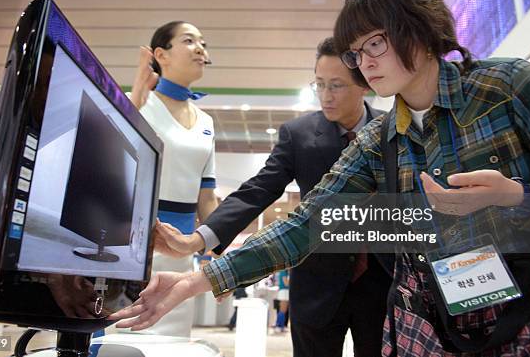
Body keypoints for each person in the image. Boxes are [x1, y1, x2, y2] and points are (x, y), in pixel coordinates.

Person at [111, 0, 530, 356]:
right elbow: (310, 221)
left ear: (420, 28)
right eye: (356, 54)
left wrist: (519, 198)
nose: (364, 63)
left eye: (376, 45)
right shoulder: (378, 140)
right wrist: (195, 282)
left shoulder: (506, 88)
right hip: (431, 327)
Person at [154, 37, 391, 356]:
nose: (326, 96)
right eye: (319, 84)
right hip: (316, 282)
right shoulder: (300, 135)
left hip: (383, 281)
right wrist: (201, 239)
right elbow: (259, 189)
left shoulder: (393, 130)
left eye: (336, 85)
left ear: (364, 85)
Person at [127, 20, 218, 338]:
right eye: (190, 41)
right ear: (161, 55)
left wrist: (214, 253)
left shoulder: (206, 121)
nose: (201, 49)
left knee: (173, 343)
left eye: (203, 43)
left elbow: (206, 196)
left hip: (182, 255)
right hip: (133, 248)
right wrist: (135, 99)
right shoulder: (137, 102)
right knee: (125, 340)